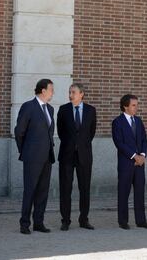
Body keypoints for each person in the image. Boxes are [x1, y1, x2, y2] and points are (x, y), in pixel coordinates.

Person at [15, 79, 55, 234]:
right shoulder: (28, 106)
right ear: (43, 91)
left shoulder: (50, 109)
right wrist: (25, 151)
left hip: (47, 157)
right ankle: (24, 224)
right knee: (30, 190)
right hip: (32, 157)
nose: (53, 92)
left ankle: (39, 222)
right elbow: (19, 131)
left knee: (43, 191)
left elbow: (49, 132)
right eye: (51, 89)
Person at [57, 83, 97, 231]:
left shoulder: (90, 110)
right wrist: (71, 145)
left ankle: (84, 219)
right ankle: (65, 220)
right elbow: (61, 132)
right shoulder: (63, 110)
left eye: (73, 92)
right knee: (65, 189)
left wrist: (81, 145)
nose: (70, 95)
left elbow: (91, 132)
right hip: (67, 155)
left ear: (81, 94)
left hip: (84, 156)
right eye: (69, 92)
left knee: (84, 188)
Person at [112, 94, 147, 230]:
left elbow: (144, 140)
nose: (136, 107)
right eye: (133, 105)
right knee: (123, 192)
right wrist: (134, 156)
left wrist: (142, 155)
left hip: (140, 164)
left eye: (137, 105)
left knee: (140, 192)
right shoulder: (117, 122)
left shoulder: (138, 121)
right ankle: (123, 221)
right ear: (125, 106)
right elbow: (119, 143)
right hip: (126, 163)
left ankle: (141, 221)